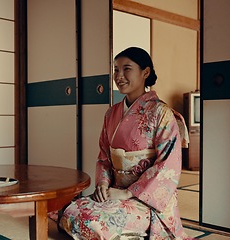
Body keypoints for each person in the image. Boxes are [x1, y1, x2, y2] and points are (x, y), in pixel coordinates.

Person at [59, 47, 193, 239]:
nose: (119, 76)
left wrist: (128, 194)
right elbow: (104, 157)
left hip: (146, 199)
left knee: (89, 221)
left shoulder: (161, 113)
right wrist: (103, 185)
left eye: (126, 69)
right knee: (68, 212)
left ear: (145, 72)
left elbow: (168, 166)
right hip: (115, 191)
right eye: (115, 70)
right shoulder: (111, 113)